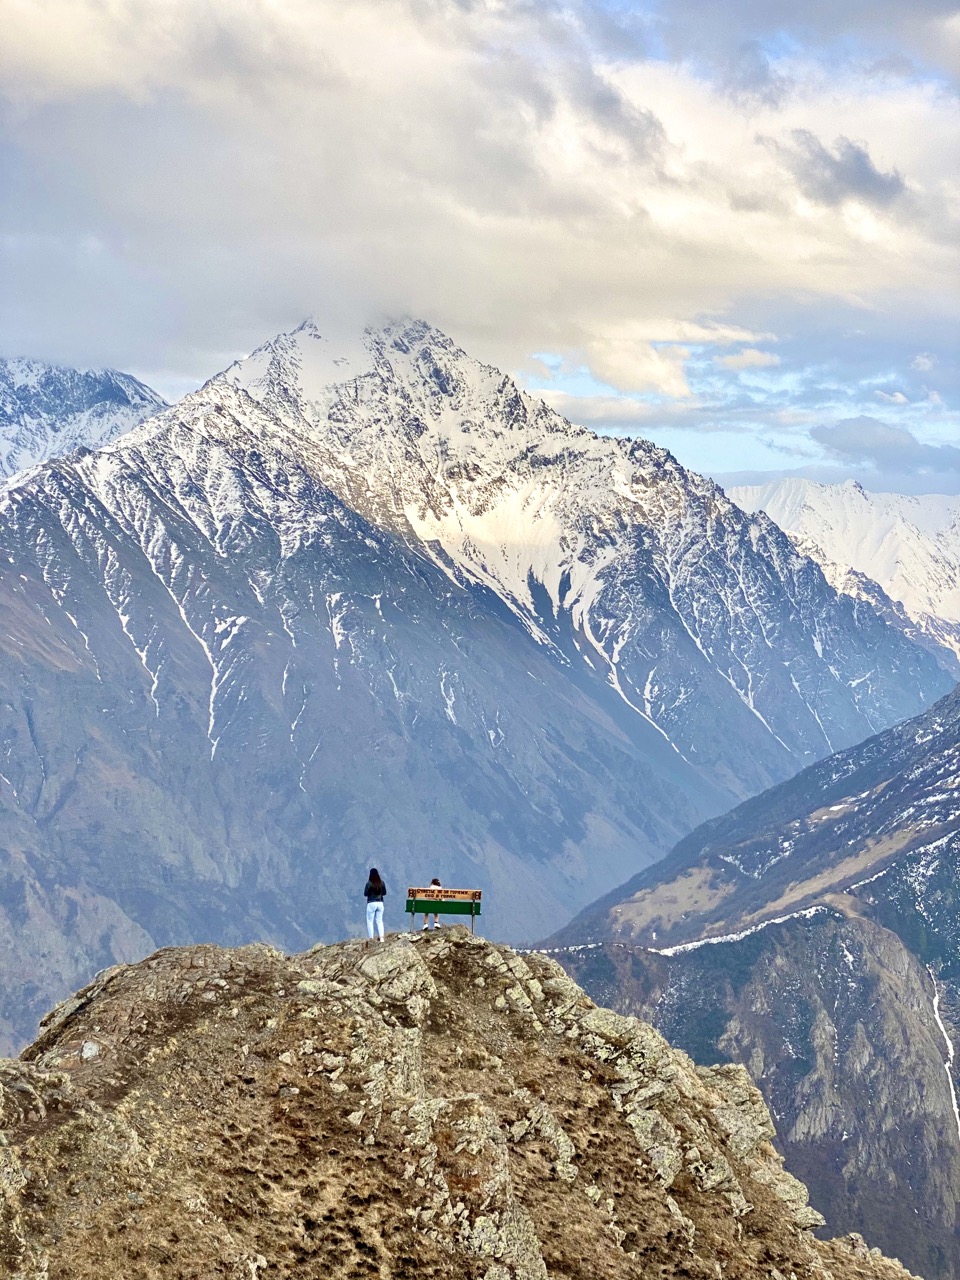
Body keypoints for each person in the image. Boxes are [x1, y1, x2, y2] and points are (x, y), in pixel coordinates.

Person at [364, 868, 386, 942]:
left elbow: (365, 894)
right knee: (379, 921)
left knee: (370, 921)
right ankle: (382, 938)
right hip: (380, 903)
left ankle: (371, 938)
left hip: (371, 903)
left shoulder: (369, 883)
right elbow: (384, 893)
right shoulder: (382, 882)